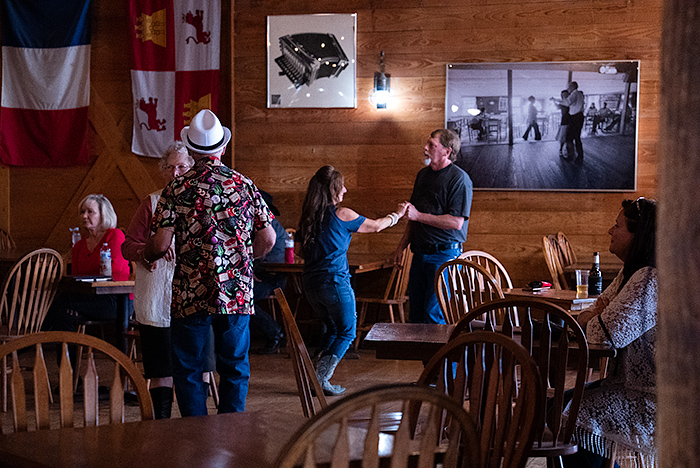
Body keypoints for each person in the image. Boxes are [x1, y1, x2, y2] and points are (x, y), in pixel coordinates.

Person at [144, 109, 276, 417]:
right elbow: (268, 239)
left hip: (190, 292)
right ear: (223, 148)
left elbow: (161, 243)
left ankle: (195, 438)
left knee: (188, 368)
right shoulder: (244, 185)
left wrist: (148, 254)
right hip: (236, 292)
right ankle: (231, 436)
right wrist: (243, 258)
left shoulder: (176, 188)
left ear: (191, 151)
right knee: (234, 367)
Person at [564, 197, 657, 468]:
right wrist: (595, 316)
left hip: (652, 398)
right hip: (626, 384)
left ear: (638, 235)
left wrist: (594, 317)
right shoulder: (630, 272)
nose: (610, 231)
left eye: (617, 226)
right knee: (561, 403)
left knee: (572, 412)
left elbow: (603, 334)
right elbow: (595, 310)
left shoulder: (649, 279)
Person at [298, 165, 407, 396]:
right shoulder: (343, 214)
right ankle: (319, 380)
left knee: (332, 329)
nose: (345, 190)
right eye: (342, 186)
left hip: (311, 285)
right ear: (332, 190)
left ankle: (316, 380)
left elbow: (299, 251)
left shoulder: (309, 217)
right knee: (347, 332)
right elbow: (377, 226)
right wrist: (397, 214)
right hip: (335, 282)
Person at [121, 142, 194, 419]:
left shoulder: (202, 201)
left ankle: (196, 428)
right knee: (161, 368)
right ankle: (161, 425)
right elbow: (127, 246)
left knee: (193, 368)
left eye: (182, 166)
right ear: (163, 171)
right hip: (157, 297)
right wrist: (148, 251)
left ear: (192, 168)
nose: (176, 172)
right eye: (171, 167)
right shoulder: (151, 203)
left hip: (191, 299)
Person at [393, 129, 473, 324]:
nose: (425, 148)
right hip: (419, 253)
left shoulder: (459, 179)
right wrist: (401, 247)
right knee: (416, 316)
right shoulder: (422, 175)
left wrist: (419, 216)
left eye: (432, 145)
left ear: (447, 151)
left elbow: (456, 222)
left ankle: (439, 356)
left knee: (432, 315)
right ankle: (422, 356)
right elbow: (413, 216)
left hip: (444, 255)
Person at [43, 194, 131, 333]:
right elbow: (76, 278)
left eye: (90, 212)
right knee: (66, 313)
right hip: (90, 298)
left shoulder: (115, 235)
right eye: (82, 212)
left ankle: (36, 338)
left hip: (116, 300)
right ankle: (63, 354)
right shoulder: (79, 245)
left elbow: (113, 272)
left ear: (103, 215)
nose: (84, 216)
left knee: (64, 302)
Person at [250, 190, 287, 355]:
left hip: (272, 277)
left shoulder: (266, 224)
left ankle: (275, 334)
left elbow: (271, 259)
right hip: (267, 275)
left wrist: (252, 268)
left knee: (243, 301)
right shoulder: (266, 222)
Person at [553, 81, 585, 163]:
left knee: (569, 138)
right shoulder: (580, 94)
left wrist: (554, 99)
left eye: (569, 87)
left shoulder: (574, 94)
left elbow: (567, 103)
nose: (568, 89)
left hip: (575, 118)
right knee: (577, 138)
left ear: (572, 87)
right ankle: (579, 156)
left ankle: (571, 156)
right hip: (579, 117)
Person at [552, 89, 571, 158]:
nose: (564, 96)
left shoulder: (569, 102)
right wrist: (554, 101)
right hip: (564, 121)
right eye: (563, 95)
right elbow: (557, 107)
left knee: (569, 137)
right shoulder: (563, 103)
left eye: (566, 95)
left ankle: (569, 151)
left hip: (570, 121)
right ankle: (561, 149)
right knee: (563, 137)